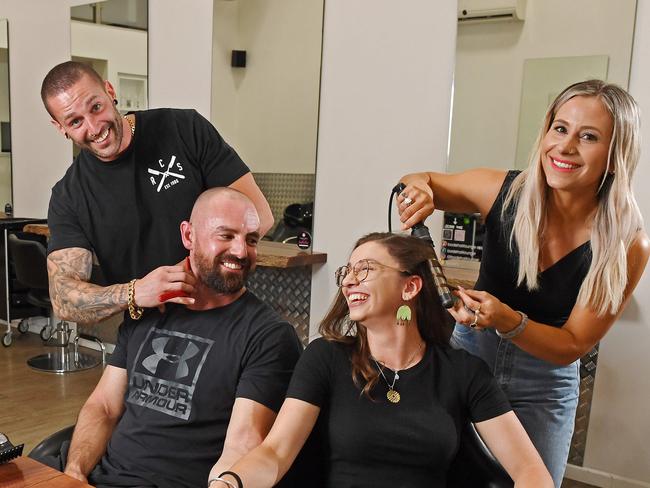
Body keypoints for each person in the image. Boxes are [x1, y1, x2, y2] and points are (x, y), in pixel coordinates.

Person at [397, 79, 650, 486]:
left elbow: (572, 345)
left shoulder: (626, 242)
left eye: (588, 137)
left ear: (616, 155)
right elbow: (419, 178)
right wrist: (420, 192)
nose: (565, 147)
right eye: (559, 128)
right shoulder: (503, 191)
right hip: (469, 359)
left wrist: (508, 320)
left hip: (545, 381)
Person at [208, 233, 553, 488]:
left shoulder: (463, 373)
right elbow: (275, 454)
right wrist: (230, 483)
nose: (350, 280)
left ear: (410, 287)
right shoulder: (325, 358)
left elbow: (530, 471)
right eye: (348, 271)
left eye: (366, 269)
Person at [35, 188, 302, 488]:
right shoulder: (150, 308)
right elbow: (104, 407)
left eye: (251, 239)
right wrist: (75, 473)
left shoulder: (268, 336)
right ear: (189, 236)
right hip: (100, 477)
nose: (241, 251)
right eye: (226, 236)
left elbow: (243, 447)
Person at [40, 61, 274, 325]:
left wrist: (181, 279)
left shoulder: (183, 128)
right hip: (147, 331)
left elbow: (260, 214)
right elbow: (63, 298)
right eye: (75, 121)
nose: (94, 128)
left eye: (96, 107)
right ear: (60, 127)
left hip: (223, 314)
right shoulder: (69, 196)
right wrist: (136, 292)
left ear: (109, 91)